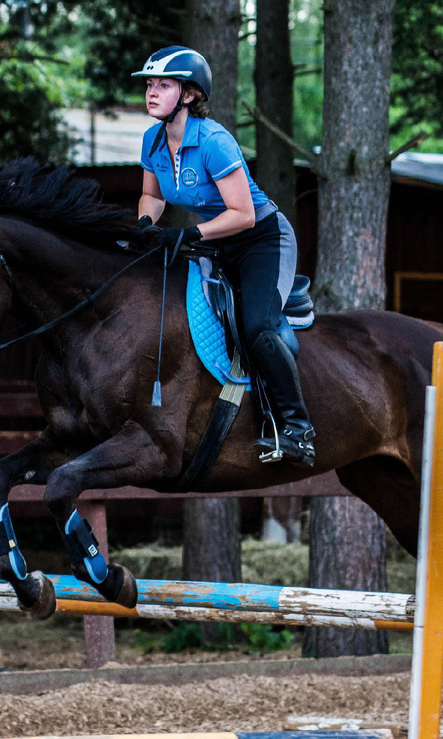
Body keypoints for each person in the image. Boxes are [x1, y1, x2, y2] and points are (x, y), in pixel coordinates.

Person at [132, 46, 315, 465]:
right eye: (148, 85)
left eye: (163, 85)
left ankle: (298, 429)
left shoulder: (214, 141)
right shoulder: (152, 141)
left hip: (262, 239)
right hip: (215, 239)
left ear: (190, 94)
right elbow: (150, 195)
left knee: (257, 325)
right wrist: (145, 224)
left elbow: (244, 215)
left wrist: (190, 232)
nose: (151, 93)